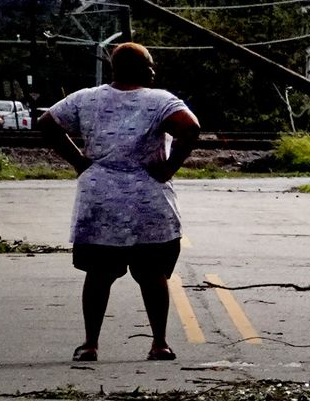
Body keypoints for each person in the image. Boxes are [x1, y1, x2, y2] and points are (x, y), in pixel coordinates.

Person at [38, 42, 201, 363]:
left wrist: (77, 160)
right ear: (139, 68)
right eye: (150, 65)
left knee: (98, 274)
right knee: (154, 275)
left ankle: (90, 345)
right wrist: (168, 168)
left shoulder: (85, 98)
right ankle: (159, 344)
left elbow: (46, 123)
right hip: (148, 204)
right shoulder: (160, 101)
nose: (153, 70)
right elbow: (190, 127)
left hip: (100, 203)